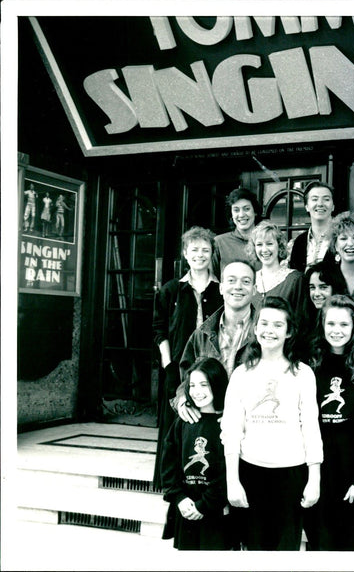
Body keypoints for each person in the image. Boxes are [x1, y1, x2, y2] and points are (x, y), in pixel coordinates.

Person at [221, 297, 323, 550]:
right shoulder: (241, 374)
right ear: (255, 329)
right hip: (251, 472)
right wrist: (232, 480)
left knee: (284, 553)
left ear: (289, 332)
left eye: (278, 325)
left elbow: (311, 427)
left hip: (292, 474)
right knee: (255, 551)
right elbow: (231, 430)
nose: (270, 330)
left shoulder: (303, 373)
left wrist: (315, 478)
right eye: (264, 323)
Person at [304, 295, 354, 551]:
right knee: (319, 538)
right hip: (315, 464)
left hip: (349, 465)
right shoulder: (309, 364)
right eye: (331, 324)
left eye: (344, 325)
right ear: (322, 325)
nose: (337, 331)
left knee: (349, 542)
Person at [152, 227, 223, 487]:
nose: (200, 255)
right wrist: (169, 365)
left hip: (213, 369)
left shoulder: (222, 290)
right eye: (194, 250)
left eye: (205, 249)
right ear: (185, 254)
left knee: (204, 423)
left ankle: (202, 480)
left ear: (212, 253)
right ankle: (172, 482)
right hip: (177, 368)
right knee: (176, 422)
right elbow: (159, 330)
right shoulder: (171, 290)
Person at [174, 260, 258, 422]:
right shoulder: (202, 334)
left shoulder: (265, 334)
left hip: (250, 426)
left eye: (246, 281)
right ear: (221, 287)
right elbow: (186, 379)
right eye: (231, 280)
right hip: (208, 423)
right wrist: (182, 399)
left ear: (254, 290)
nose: (238, 286)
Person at [160, 357, 230, 550]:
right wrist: (179, 498)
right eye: (192, 385)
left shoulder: (226, 423)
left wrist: (204, 504)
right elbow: (168, 464)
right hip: (186, 509)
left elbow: (228, 472)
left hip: (215, 512)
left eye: (204, 385)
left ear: (217, 384)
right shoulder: (183, 421)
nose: (197, 392)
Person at [245, 220, 303, 312]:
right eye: (259, 244)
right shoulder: (249, 279)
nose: (264, 250)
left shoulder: (295, 280)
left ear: (279, 246)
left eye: (269, 244)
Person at [288, 181, 337, 272]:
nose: (320, 204)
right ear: (306, 206)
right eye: (314, 199)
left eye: (326, 199)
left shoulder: (342, 237)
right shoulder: (299, 241)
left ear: (333, 206)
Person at [212, 187, 260, 279]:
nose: (241, 215)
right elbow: (212, 280)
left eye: (246, 209)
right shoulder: (219, 243)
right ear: (231, 215)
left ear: (255, 212)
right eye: (236, 210)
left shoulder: (267, 241)